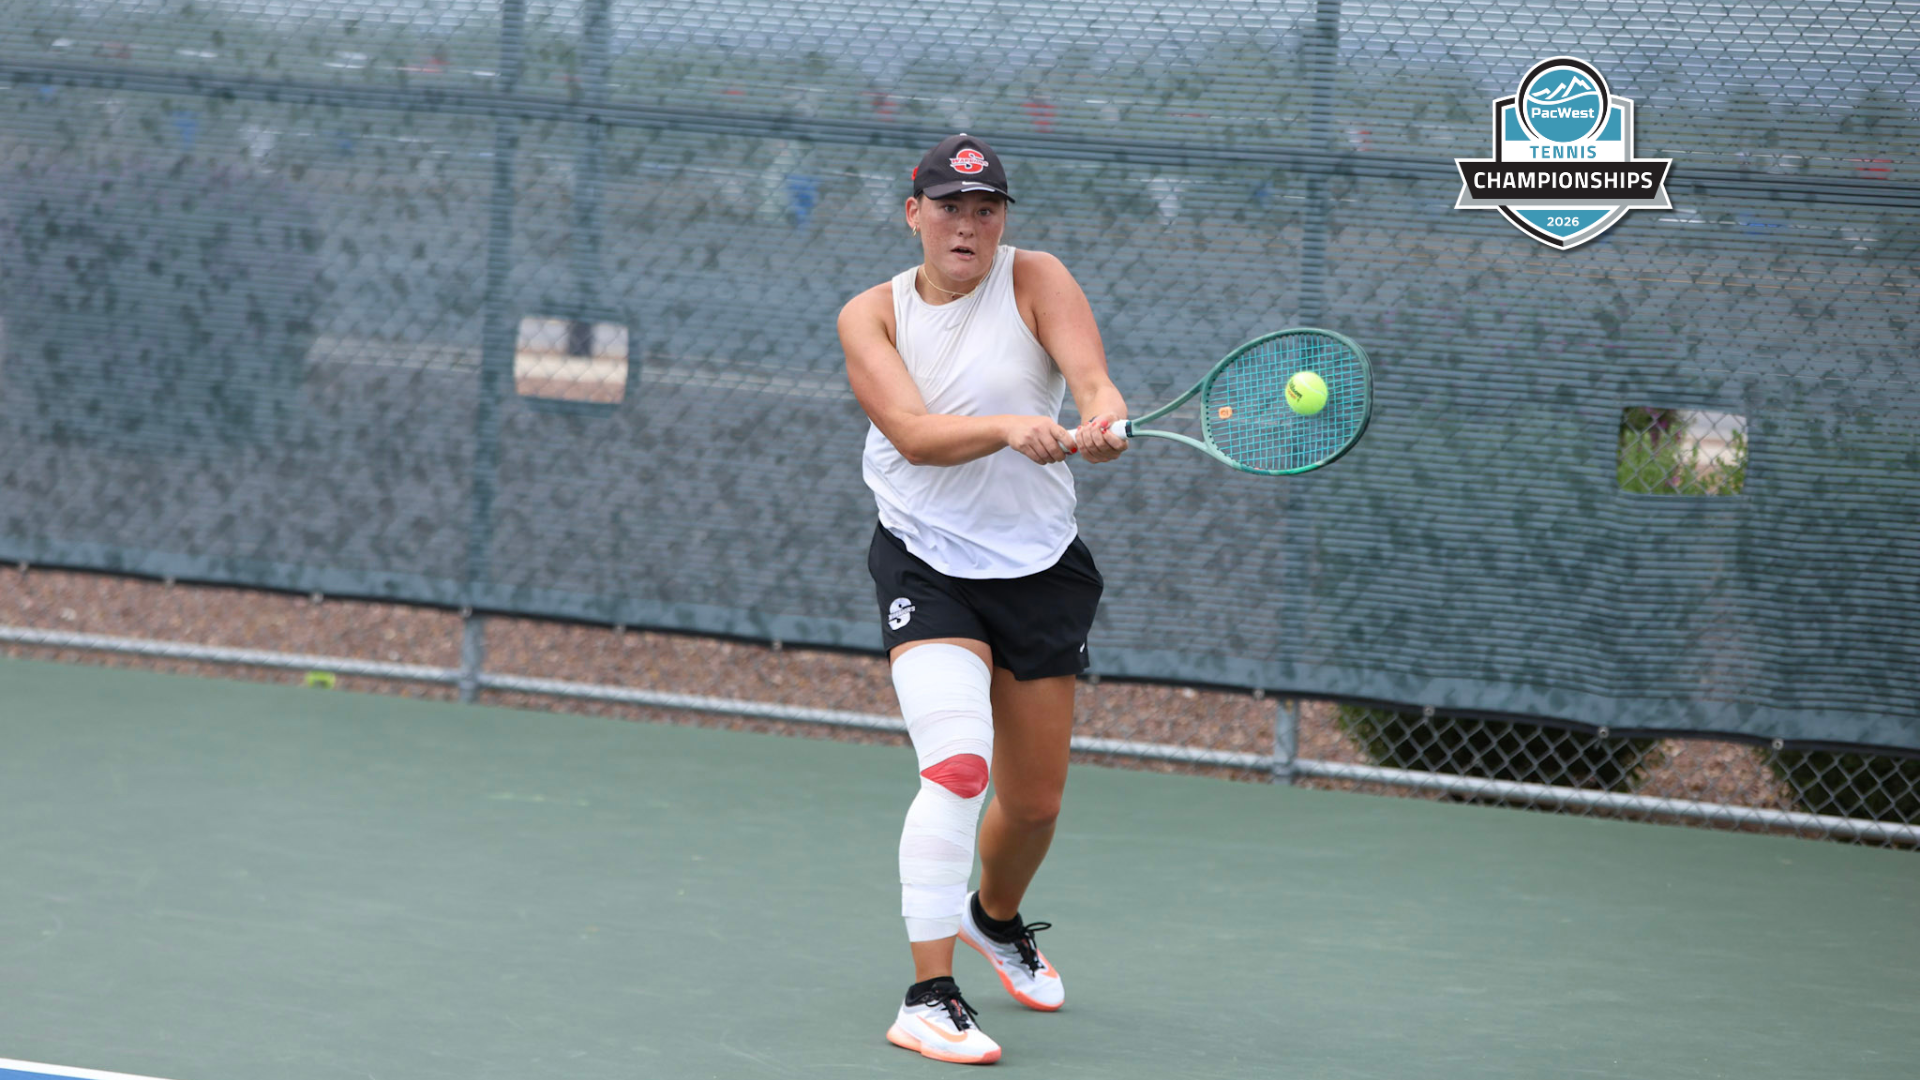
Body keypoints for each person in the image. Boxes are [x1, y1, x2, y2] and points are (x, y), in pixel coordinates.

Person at [838, 133, 1130, 1065]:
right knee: (959, 766)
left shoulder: (1038, 278)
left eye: (987, 209)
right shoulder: (869, 316)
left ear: (1003, 219)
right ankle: (927, 996)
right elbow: (917, 437)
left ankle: (994, 921)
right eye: (950, 206)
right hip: (926, 565)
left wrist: (1102, 415)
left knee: (1034, 804)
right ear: (913, 211)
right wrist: (1013, 427)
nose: (969, 224)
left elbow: (1090, 379)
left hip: (1039, 567)